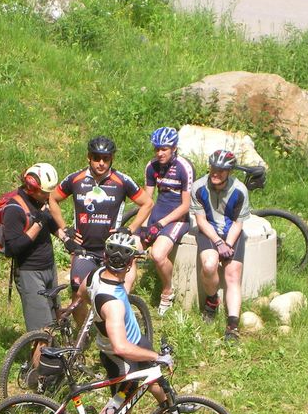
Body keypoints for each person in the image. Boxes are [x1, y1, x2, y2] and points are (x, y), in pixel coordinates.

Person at [79, 232, 173, 414]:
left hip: (134, 340)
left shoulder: (96, 274)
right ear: (130, 263)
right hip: (120, 357)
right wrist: (156, 356)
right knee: (122, 409)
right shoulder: (113, 304)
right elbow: (120, 347)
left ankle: (170, 408)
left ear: (105, 256)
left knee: (153, 376)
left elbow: (81, 294)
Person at [49, 136, 153, 323]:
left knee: (113, 297)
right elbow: (53, 198)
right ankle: (83, 335)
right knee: (78, 295)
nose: (101, 163)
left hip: (111, 250)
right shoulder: (76, 179)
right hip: (83, 250)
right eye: (96, 158)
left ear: (112, 158)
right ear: (89, 157)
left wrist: (130, 229)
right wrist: (64, 229)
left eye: (106, 158)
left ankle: (113, 330)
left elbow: (147, 203)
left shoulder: (122, 180)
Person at [190, 150, 250, 342]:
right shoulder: (198, 187)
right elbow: (201, 220)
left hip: (231, 232)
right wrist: (218, 242)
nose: (215, 173)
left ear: (229, 172)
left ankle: (232, 326)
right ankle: (212, 300)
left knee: (233, 274)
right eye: (213, 168)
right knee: (209, 265)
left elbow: (239, 223)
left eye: (221, 170)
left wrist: (228, 244)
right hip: (209, 230)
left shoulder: (240, 190)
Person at [139, 127, 195, 316]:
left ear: (174, 148)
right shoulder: (151, 166)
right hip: (157, 213)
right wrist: (145, 225)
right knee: (129, 249)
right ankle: (123, 294)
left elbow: (186, 206)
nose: (160, 153)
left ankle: (167, 291)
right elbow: (147, 200)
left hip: (177, 217)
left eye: (164, 149)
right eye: (157, 149)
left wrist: (161, 224)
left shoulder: (184, 167)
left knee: (157, 254)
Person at [2, 162, 62, 336]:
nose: (48, 196)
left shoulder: (38, 200)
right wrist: (38, 223)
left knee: (54, 321)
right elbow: (12, 248)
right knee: (42, 332)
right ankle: (38, 354)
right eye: (44, 192)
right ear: (31, 188)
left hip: (49, 268)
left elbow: (49, 223)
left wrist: (67, 238)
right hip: (30, 273)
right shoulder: (14, 209)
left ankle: (53, 352)